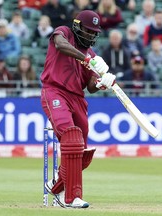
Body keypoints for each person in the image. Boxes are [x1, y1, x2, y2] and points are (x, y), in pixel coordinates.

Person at [41, 10, 115, 208]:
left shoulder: (92, 55)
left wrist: (102, 82)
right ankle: (72, 198)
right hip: (55, 91)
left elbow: (90, 86)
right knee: (70, 135)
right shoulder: (64, 32)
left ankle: (57, 184)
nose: (91, 35)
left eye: (94, 32)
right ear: (77, 26)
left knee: (82, 153)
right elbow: (60, 45)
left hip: (78, 98)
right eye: (88, 30)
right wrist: (87, 59)